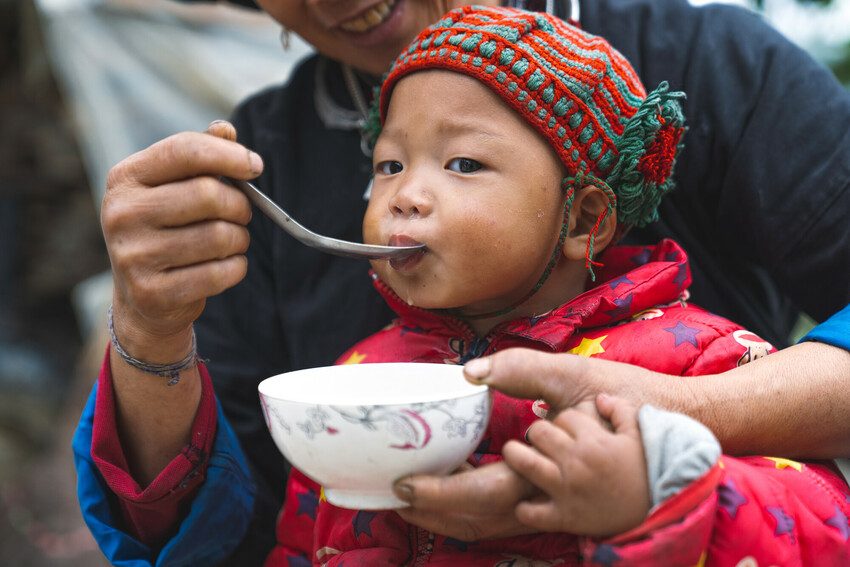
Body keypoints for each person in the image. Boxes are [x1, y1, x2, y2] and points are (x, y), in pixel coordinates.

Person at [72, 0, 850, 564]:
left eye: (464, 163)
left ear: (585, 218)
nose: (405, 195)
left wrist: (662, 479)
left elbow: (818, 527)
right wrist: (148, 330)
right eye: (387, 165)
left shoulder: (693, 349)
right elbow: (248, 530)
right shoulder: (355, 366)